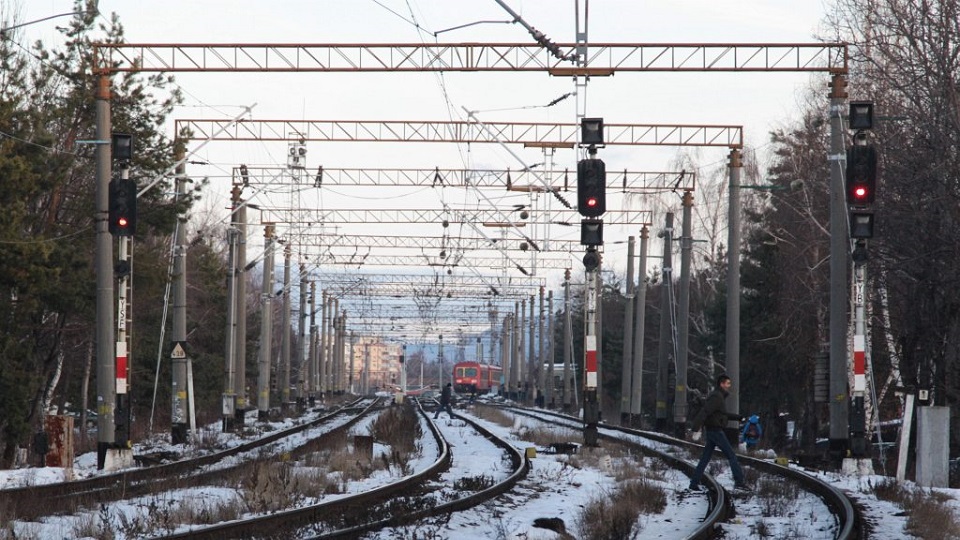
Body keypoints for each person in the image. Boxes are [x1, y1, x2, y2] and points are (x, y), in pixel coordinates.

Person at [688, 374, 750, 491]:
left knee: (705, 458)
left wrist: (738, 417)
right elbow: (705, 411)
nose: (729, 386)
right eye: (727, 383)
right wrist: (696, 427)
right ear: (721, 384)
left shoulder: (718, 396)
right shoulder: (716, 397)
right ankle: (739, 482)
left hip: (713, 431)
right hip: (715, 431)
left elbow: (721, 415)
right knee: (731, 455)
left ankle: (694, 483)